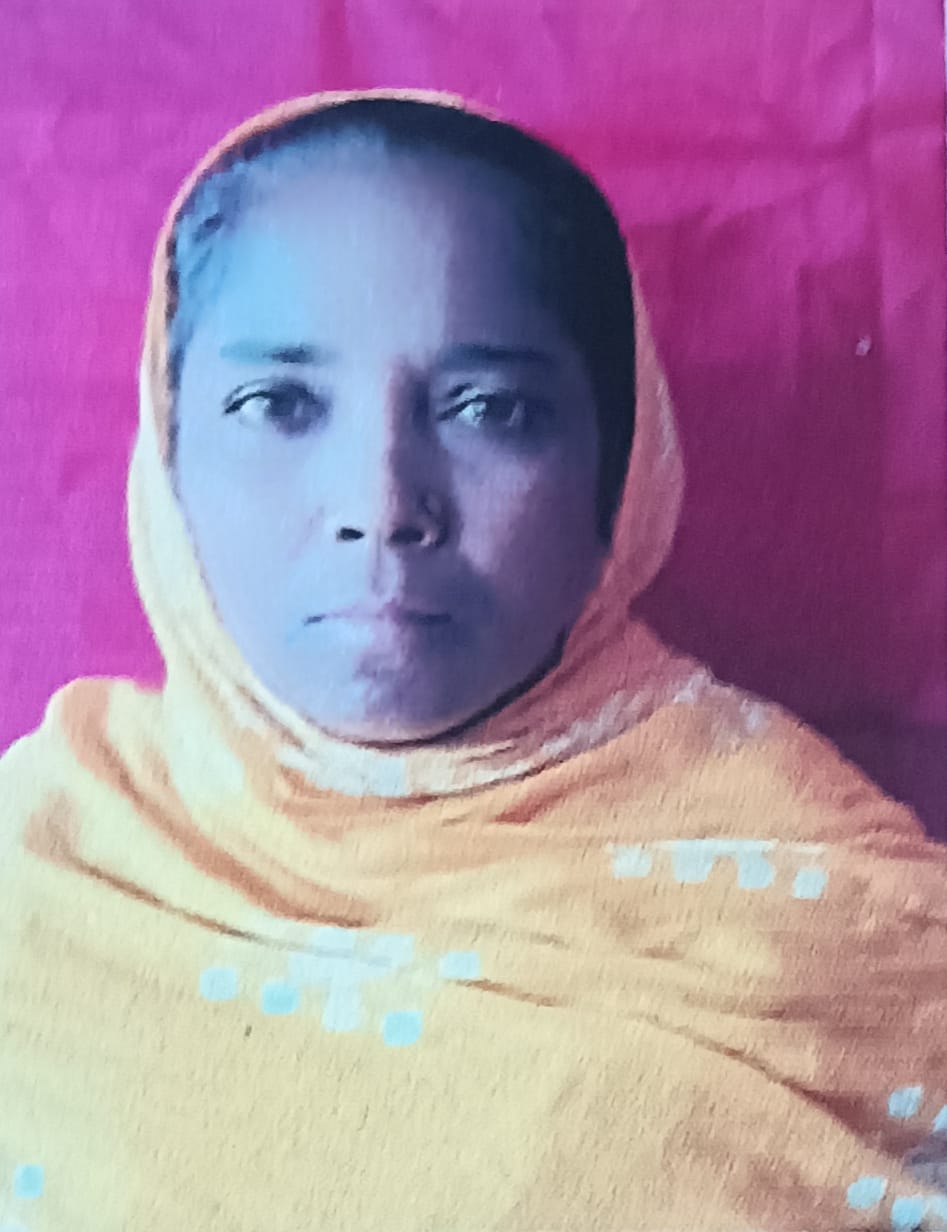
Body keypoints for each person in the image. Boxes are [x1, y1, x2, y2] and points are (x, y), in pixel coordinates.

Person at [1, 87, 945, 1232]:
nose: (383, 503)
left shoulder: (833, 914)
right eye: (278, 403)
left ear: (619, 470)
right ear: (169, 447)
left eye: (487, 408)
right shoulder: (49, 854)